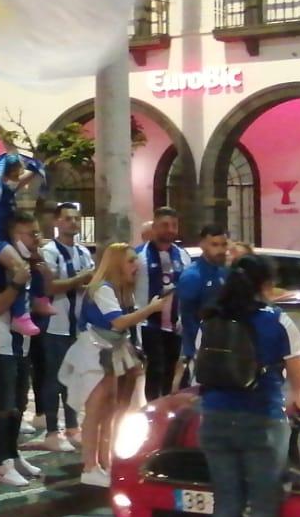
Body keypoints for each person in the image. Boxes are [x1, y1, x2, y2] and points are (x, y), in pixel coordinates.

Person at [195, 254, 300, 517]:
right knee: (262, 505)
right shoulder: (277, 322)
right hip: (261, 420)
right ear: (266, 285)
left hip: (214, 419)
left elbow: (197, 373)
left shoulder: (211, 321)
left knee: (226, 502)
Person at [60, 243, 168, 486]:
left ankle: (105, 462)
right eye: (130, 261)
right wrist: (151, 309)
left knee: (110, 410)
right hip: (93, 353)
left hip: (109, 351)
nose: (136, 265)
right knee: (96, 411)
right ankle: (90, 466)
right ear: (117, 263)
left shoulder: (121, 290)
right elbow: (118, 322)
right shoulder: (102, 289)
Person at [0, 212, 43, 488]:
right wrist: (17, 282)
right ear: (15, 236)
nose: (37, 239)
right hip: (2, 342)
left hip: (22, 343)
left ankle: (13, 455)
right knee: (5, 404)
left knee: (19, 403)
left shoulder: (28, 263)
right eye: (31, 233)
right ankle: (0, 464)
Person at [26, 203, 92, 454]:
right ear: (56, 222)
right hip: (55, 325)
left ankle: (73, 426)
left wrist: (83, 283)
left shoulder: (83, 252)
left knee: (74, 378)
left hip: (78, 325)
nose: (73, 223)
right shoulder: (49, 251)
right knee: (54, 378)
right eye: (67, 219)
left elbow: (88, 283)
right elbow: (49, 287)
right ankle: (53, 430)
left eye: (76, 218)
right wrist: (79, 280)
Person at [0, 154, 47, 338]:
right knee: (20, 269)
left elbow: (24, 178)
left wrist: (37, 167)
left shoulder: (5, 189)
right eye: (14, 175)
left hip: (1, 238)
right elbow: (14, 180)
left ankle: (39, 298)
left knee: (32, 261)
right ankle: (20, 315)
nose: (17, 178)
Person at [132, 207, 186, 401]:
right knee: (156, 367)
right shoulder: (138, 256)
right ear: (154, 227)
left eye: (174, 225)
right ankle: (152, 409)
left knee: (171, 369)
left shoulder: (183, 256)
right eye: (165, 225)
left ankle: (166, 408)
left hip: (174, 324)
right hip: (148, 324)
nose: (170, 230)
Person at [172, 225, 230, 387]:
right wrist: (192, 351)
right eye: (215, 244)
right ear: (203, 245)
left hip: (226, 346)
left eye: (223, 244)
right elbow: (188, 318)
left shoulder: (226, 272)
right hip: (201, 350)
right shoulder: (192, 276)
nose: (220, 250)